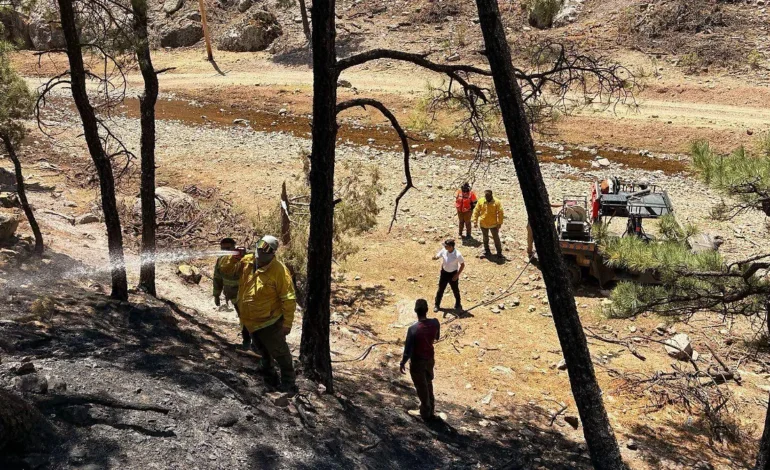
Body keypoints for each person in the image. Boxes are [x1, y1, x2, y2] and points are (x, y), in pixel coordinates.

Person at [237, 235, 298, 393]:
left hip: (270, 322)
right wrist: (234, 257)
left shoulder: (279, 272)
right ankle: (268, 373)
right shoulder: (247, 261)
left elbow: (289, 299)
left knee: (280, 352)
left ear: (272, 254)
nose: (259, 255)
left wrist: (287, 323)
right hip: (251, 321)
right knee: (261, 348)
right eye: (258, 249)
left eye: (264, 252)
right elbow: (229, 270)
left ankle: (288, 382)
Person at [399, 299, 441, 421]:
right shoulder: (435, 323)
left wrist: (403, 362)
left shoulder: (413, 329)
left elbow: (408, 350)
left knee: (421, 386)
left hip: (417, 362)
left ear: (415, 311)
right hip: (430, 359)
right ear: (427, 310)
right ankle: (431, 408)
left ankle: (425, 412)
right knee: (428, 383)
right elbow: (437, 337)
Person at [213, 237, 248, 348]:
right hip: (232, 296)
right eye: (223, 249)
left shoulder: (243, 259)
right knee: (243, 318)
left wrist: (242, 257)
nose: (226, 251)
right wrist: (216, 295)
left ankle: (248, 342)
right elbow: (217, 278)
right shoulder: (220, 260)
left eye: (228, 248)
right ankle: (248, 341)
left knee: (246, 318)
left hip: (246, 295)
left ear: (234, 247)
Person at [432, 239, 464, 313]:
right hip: (444, 273)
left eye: (446, 246)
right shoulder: (444, 250)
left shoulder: (457, 255)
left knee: (455, 290)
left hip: (453, 274)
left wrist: (457, 275)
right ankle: (437, 305)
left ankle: (458, 304)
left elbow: (462, 265)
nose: (445, 247)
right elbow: (438, 255)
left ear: (451, 247)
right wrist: (435, 257)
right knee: (440, 289)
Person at [472, 189, 505, 258]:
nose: (486, 198)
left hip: (493, 224)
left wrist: (499, 223)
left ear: (491, 195)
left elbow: (500, 213)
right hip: (483, 223)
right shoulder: (481, 201)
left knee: (496, 238)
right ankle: (487, 251)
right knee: (485, 238)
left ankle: (499, 252)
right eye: (485, 196)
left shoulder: (497, 202)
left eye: (488, 196)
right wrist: (475, 221)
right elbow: (476, 211)